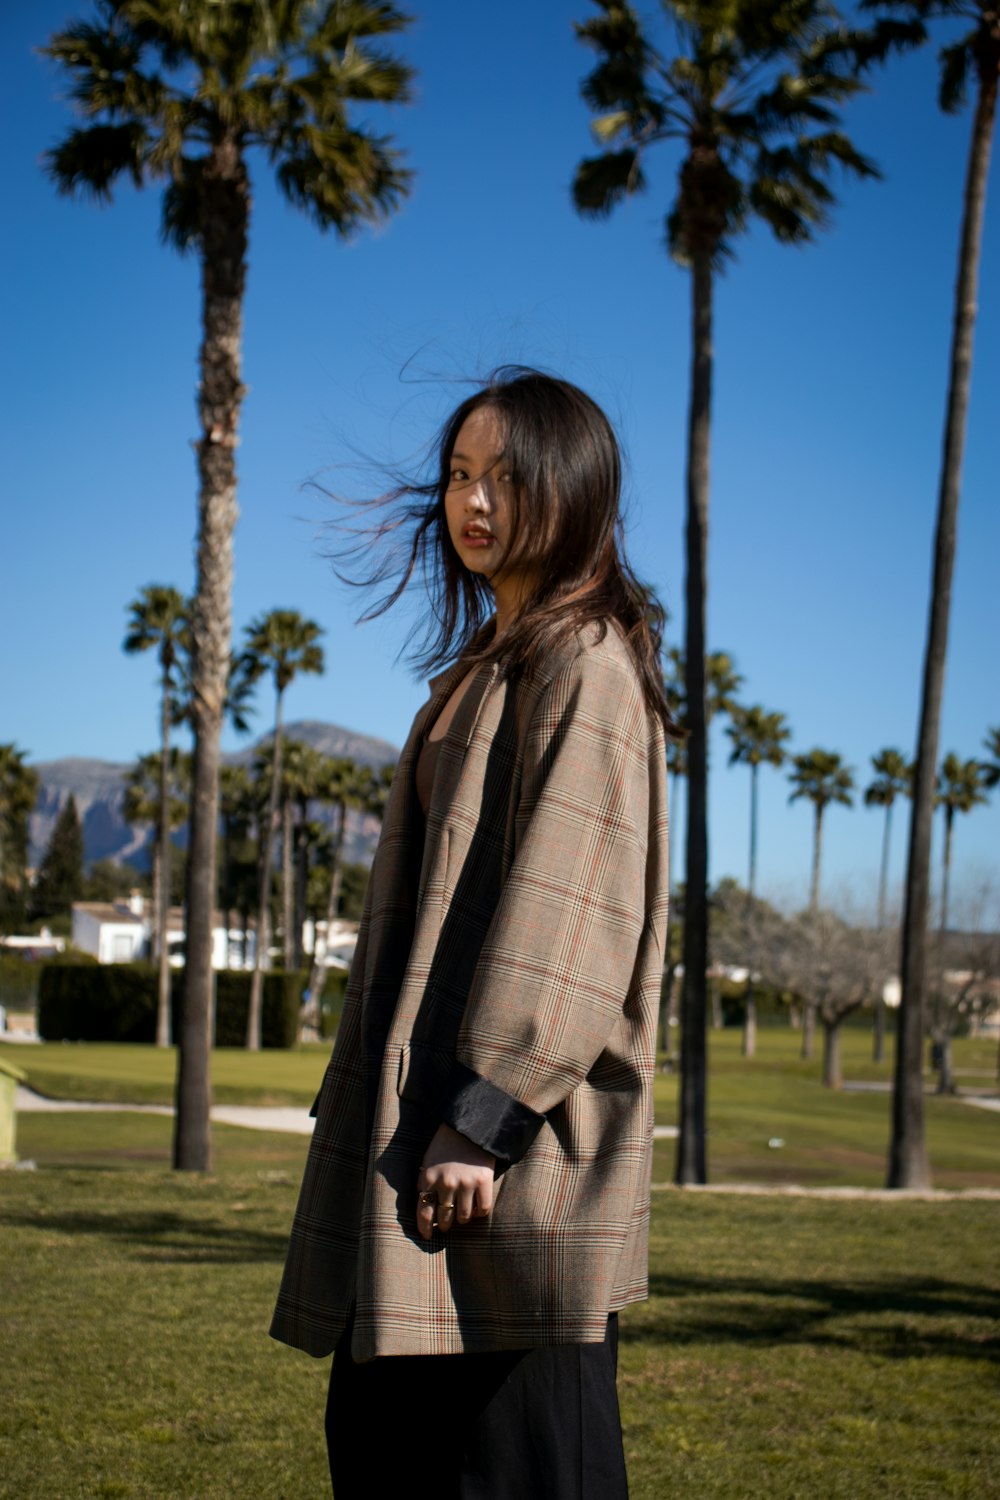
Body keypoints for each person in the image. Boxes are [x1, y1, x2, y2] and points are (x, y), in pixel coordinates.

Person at [270, 368, 673, 1498]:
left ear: (573, 489)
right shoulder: (490, 667)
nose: (473, 501)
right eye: (458, 473)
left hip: (498, 1156)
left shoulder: (583, 660)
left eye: (504, 475)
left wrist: (482, 1115)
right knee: (397, 1445)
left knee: (509, 1458)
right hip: (436, 1126)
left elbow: (574, 904)